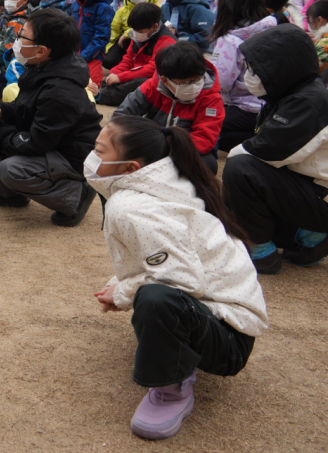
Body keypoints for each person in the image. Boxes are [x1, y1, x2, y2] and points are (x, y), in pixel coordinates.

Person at [87, 116, 267, 441]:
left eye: (99, 150)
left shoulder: (133, 206)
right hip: (222, 317)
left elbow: (182, 281)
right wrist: (121, 282)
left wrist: (123, 291)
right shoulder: (166, 180)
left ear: (131, 167)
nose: (92, 156)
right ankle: (178, 344)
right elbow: (169, 255)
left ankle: (172, 389)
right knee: (155, 294)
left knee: (156, 298)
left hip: (230, 341)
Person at [0, 9, 101, 225]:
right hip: (50, 140)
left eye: (22, 36)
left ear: (41, 50)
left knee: (10, 167)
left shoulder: (60, 89)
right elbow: (27, 106)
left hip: (71, 155)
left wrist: (3, 136)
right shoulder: (42, 66)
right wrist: (3, 111)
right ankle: (5, 194)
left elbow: (40, 142)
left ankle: (75, 197)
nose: (18, 40)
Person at [222, 25, 328, 273]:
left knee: (240, 169)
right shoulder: (290, 94)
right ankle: (310, 236)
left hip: (321, 196)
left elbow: (261, 152)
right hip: (311, 188)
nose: (249, 74)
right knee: (240, 192)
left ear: (282, 67)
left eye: (255, 69)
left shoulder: (309, 102)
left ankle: (260, 251)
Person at [115, 43, 224, 175]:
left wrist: (168, 154)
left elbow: (204, 138)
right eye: (185, 82)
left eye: (197, 79)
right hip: (152, 144)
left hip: (186, 151)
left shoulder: (211, 98)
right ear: (165, 80)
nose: (193, 86)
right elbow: (122, 116)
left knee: (207, 165)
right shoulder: (152, 87)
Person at [209, 0, 278, 152]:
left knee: (203, 121)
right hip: (272, 106)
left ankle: (253, 139)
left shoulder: (229, 41)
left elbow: (222, 83)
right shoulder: (273, 29)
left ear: (228, 7)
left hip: (244, 107)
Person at [95, 3, 176, 107]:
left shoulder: (166, 41)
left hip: (156, 79)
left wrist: (121, 77)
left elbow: (153, 69)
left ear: (155, 27)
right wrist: (116, 73)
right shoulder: (140, 36)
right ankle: (106, 92)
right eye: (134, 30)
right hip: (135, 73)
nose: (135, 33)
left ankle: (102, 96)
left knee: (142, 83)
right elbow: (128, 59)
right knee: (109, 80)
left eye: (139, 31)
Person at [68, 0, 115, 86]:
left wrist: (83, 57)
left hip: (92, 56)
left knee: (90, 86)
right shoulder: (75, 4)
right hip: (72, 55)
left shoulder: (103, 8)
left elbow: (101, 38)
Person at [103, 0, 157, 70]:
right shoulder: (122, 11)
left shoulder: (155, 8)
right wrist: (109, 48)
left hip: (149, 40)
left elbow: (155, 27)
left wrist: (128, 33)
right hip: (126, 42)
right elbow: (115, 30)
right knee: (109, 61)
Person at [307, 0, 328, 73]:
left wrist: (314, 46)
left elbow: (311, 70)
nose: (310, 27)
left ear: (319, 20)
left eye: (311, 23)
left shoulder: (322, 46)